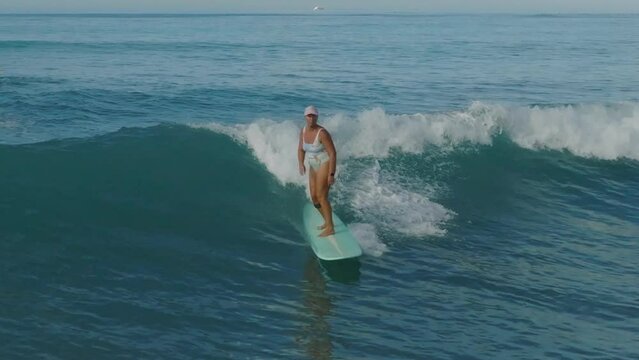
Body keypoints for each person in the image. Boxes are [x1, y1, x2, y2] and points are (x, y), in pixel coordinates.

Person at [298, 105, 337, 237]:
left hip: (324, 164)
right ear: (305, 117)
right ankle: (327, 221)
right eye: (309, 115)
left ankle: (330, 227)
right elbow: (301, 149)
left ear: (317, 117)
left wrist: (331, 174)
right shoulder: (303, 131)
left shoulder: (322, 133)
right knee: (314, 199)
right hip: (312, 166)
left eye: (314, 115)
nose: (311, 118)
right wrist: (301, 163)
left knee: (321, 196)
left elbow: (332, 153)